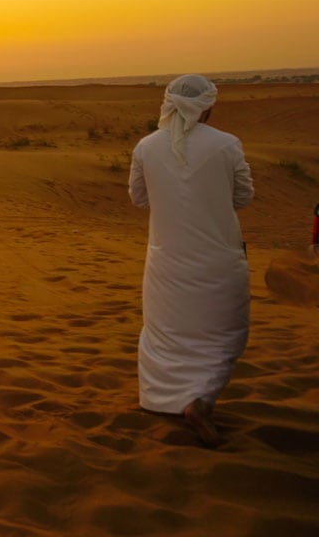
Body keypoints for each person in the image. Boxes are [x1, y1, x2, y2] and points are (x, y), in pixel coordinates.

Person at [128, 74, 254, 447]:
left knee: (166, 333)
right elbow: (244, 197)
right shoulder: (227, 145)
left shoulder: (146, 146)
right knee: (222, 333)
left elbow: (138, 198)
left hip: (167, 261)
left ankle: (165, 399)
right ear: (208, 106)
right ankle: (201, 399)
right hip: (218, 256)